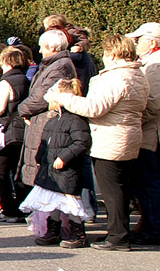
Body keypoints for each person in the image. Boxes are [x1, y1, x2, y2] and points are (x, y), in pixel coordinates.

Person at [45, 33, 150, 251]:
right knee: (121, 189)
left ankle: (117, 237)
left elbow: (94, 108)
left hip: (110, 138)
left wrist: (62, 97)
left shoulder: (116, 77)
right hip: (128, 136)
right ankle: (118, 232)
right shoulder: (137, 75)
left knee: (112, 192)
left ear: (112, 53)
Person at [19, 78, 93, 248]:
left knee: (69, 202)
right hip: (51, 168)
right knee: (53, 201)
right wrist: (39, 158)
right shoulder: (53, 120)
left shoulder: (76, 120)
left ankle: (78, 233)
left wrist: (64, 158)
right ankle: (54, 230)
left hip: (67, 169)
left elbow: (81, 142)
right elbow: (44, 142)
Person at [17, 29, 77, 192]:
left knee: (43, 174)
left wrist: (22, 109)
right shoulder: (52, 65)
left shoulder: (59, 66)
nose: (40, 51)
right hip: (40, 119)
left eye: (42, 47)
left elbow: (40, 97)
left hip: (46, 120)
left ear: (53, 47)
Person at [0, 46, 30, 223]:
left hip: (6, 129)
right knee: (17, 170)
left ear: (6, 61)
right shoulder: (25, 79)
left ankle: (10, 209)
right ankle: (21, 206)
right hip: (21, 129)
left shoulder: (6, 81)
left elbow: (0, 107)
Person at [126, 22, 160, 245]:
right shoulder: (153, 62)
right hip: (150, 131)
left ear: (152, 42)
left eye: (138, 40)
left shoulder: (157, 65)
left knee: (149, 183)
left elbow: (155, 103)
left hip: (152, 133)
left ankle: (154, 229)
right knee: (147, 182)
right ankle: (149, 224)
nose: (135, 44)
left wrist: (132, 118)